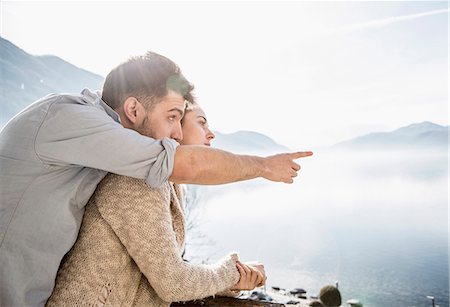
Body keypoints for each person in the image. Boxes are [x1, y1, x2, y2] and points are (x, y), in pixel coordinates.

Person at [0, 51, 312, 306]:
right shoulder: (74, 123)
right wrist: (264, 166)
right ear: (133, 109)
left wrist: (223, 281)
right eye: (173, 116)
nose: (175, 133)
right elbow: (171, 279)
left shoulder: (112, 151)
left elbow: (153, 271)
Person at [46, 102, 266, 306]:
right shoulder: (139, 182)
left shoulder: (171, 186)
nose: (211, 133)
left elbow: (161, 273)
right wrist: (231, 272)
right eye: (201, 122)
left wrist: (231, 281)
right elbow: (173, 283)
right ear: (175, 127)